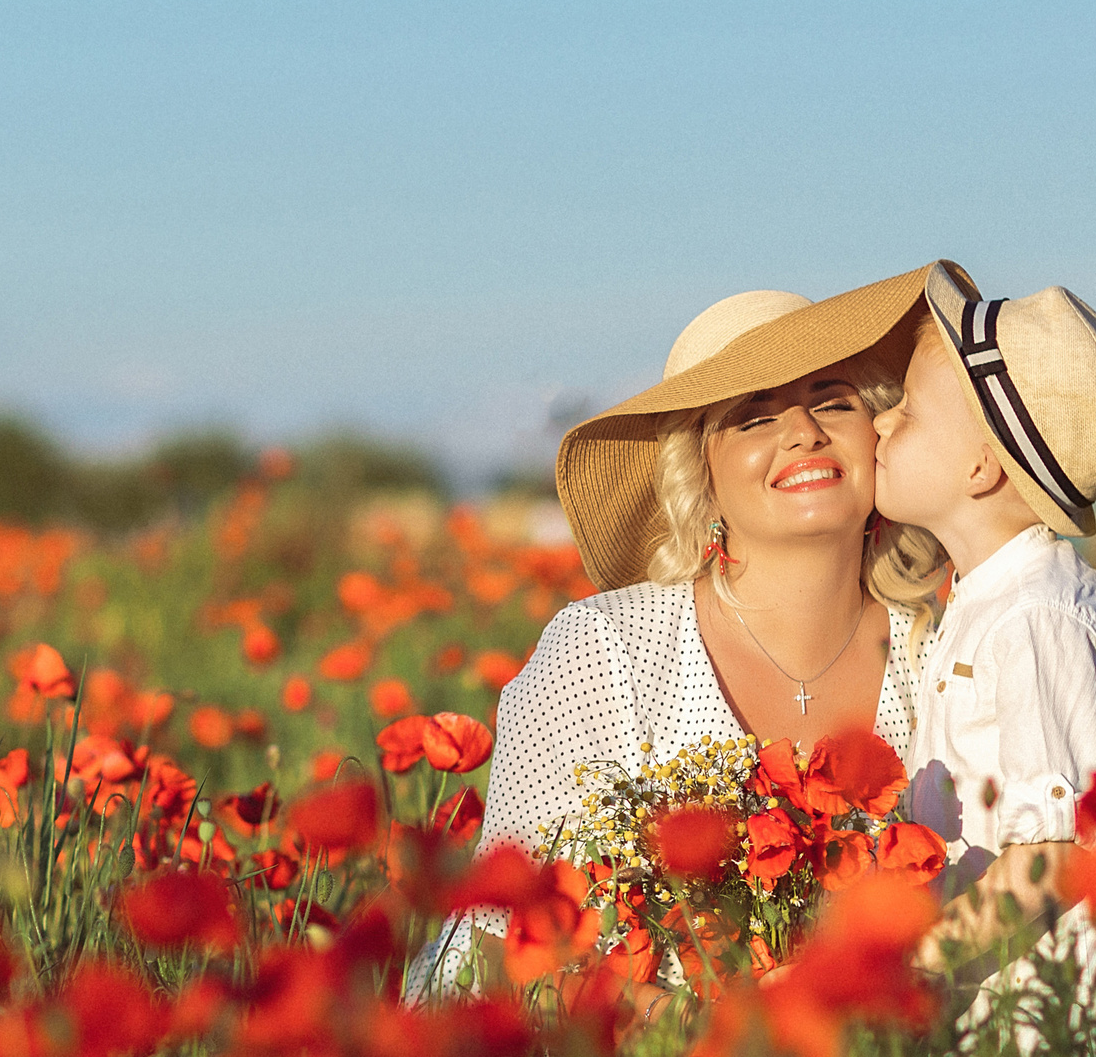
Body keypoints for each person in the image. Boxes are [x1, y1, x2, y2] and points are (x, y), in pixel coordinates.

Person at [404, 266, 949, 1000]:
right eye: (755, 418)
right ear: (703, 474)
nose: (803, 432)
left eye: (832, 401)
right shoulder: (605, 650)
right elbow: (507, 943)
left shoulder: (942, 653)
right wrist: (699, 1037)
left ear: (878, 439)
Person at [869, 260, 1096, 1057]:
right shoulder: (994, 599)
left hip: (1062, 1038)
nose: (879, 426)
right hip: (1019, 1024)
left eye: (908, 413)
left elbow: (1052, 852)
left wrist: (904, 973)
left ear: (983, 467)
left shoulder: (1034, 617)